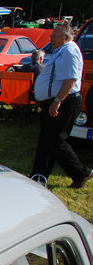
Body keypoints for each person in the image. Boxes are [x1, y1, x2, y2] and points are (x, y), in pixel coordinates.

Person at [30, 25, 92, 189]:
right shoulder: (62, 51)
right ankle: (39, 176)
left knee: (56, 140)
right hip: (55, 100)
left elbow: (70, 80)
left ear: (65, 37)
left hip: (64, 101)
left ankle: (81, 173)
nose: (51, 39)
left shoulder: (69, 51)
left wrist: (57, 101)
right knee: (46, 140)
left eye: (54, 36)